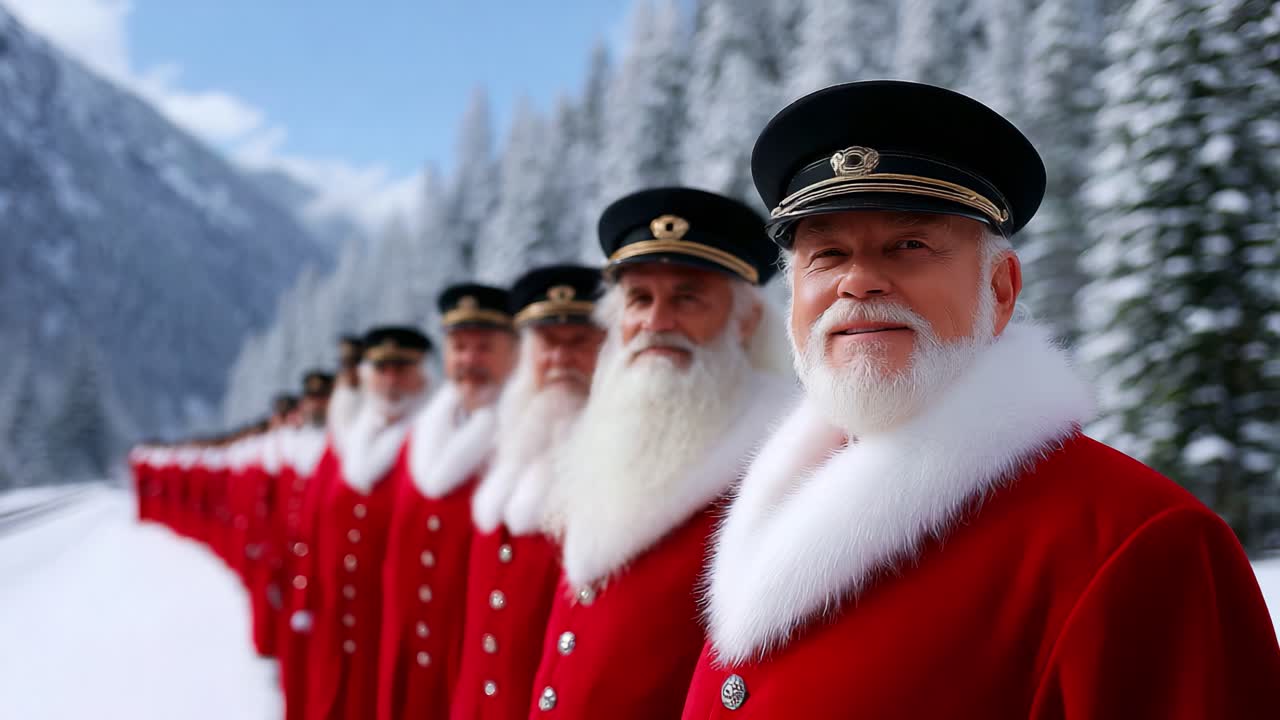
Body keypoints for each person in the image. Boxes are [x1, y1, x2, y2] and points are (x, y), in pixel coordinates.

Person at [680, 80, 1280, 719]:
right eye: (826, 255)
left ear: (1001, 288)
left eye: (909, 246)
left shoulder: (1141, 541)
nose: (858, 281)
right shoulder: (776, 507)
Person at [527, 188, 794, 718]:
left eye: (687, 298)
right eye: (639, 299)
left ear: (744, 320)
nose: (656, 322)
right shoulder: (604, 431)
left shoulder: (778, 460)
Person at [451, 265, 605, 720]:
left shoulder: (616, 464)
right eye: (547, 343)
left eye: (579, 342)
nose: (560, 358)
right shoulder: (509, 447)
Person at [377, 285, 518, 720]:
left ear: (514, 351)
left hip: (476, 657)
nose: (469, 360)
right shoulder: (421, 437)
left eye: (484, 347)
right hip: (410, 649)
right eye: (459, 347)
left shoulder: (519, 438)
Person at [305, 326, 433, 720]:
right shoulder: (357, 437)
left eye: (402, 368)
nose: (391, 379)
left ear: (422, 374)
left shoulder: (428, 441)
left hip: (395, 625)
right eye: (381, 369)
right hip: (344, 618)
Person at [273, 370, 334, 718]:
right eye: (312, 398)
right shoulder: (297, 448)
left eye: (323, 397)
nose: (317, 405)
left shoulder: (339, 447)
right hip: (296, 565)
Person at [327, 335, 365, 440]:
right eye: (343, 363)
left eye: (353, 361)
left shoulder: (377, 399)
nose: (348, 369)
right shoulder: (338, 397)